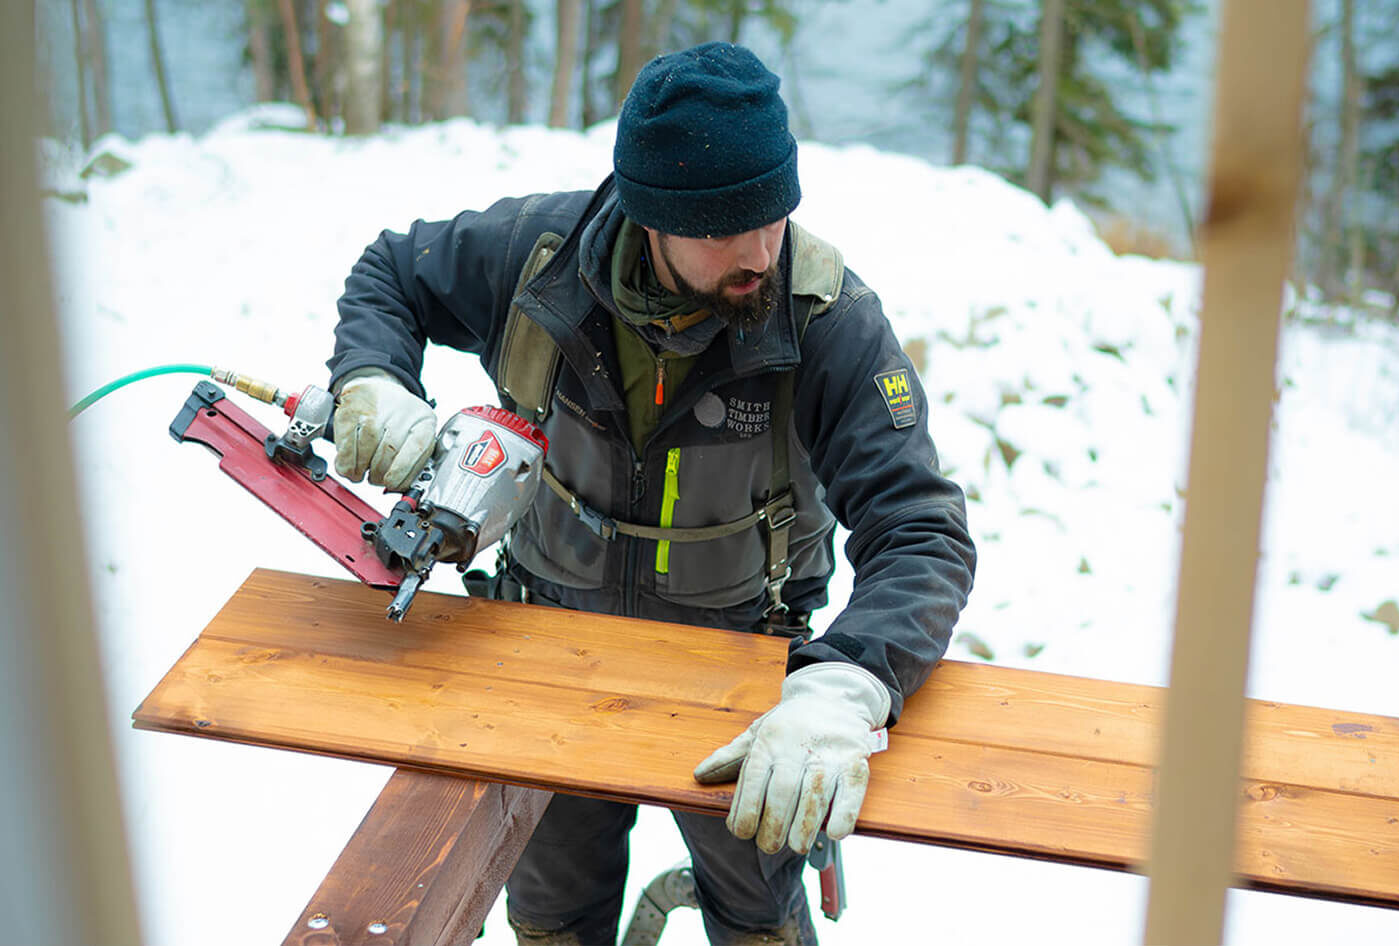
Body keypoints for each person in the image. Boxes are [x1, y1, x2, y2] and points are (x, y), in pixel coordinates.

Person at [327, 41, 975, 946]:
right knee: (552, 913)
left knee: (759, 920)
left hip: (745, 673)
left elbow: (921, 530)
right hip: (549, 643)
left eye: (775, 214)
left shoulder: (829, 323)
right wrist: (373, 378)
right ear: (651, 219)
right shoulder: (538, 261)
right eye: (722, 228)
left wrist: (847, 682)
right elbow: (393, 271)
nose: (758, 250)